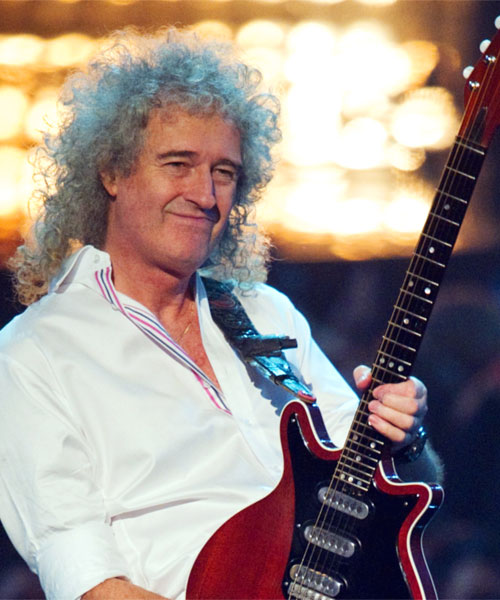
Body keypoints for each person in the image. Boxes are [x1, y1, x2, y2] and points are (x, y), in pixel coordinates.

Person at [0, 27, 441, 600]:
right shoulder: (33, 354)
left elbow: (392, 494)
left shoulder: (268, 312)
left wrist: (407, 437)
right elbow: (86, 580)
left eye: (224, 172)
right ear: (111, 172)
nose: (206, 195)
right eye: (178, 164)